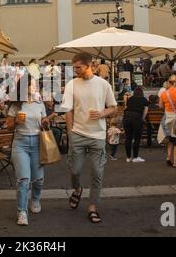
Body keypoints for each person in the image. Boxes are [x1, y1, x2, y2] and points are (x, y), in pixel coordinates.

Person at [61, 52, 117, 224]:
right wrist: (70, 133)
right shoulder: (71, 84)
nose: (75, 70)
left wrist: (102, 113)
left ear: (88, 65)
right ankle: (77, 189)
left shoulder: (103, 84)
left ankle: (92, 207)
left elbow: (114, 108)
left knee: (97, 173)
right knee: (74, 170)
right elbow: (68, 110)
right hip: (77, 134)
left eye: (77, 67)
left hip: (98, 136)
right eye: (74, 67)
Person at [6, 74, 50, 226]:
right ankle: (22, 211)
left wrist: (45, 122)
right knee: (23, 179)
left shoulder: (39, 103)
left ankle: (36, 199)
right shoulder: (16, 105)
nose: (35, 87)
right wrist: (16, 121)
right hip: (20, 143)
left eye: (35, 84)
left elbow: (45, 123)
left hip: (38, 143)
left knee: (38, 179)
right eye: (32, 84)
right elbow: (9, 126)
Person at [159, 75, 176, 168]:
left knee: (170, 139)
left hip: (167, 117)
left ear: (169, 82)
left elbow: (161, 106)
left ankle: (168, 157)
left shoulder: (164, 93)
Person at [123, 86, 148, 163]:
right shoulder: (144, 99)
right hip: (137, 118)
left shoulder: (130, 99)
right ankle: (135, 157)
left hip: (127, 117)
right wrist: (142, 119)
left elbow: (126, 107)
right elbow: (145, 111)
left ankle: (128, 157)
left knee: (128, 138)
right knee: (137, 138)